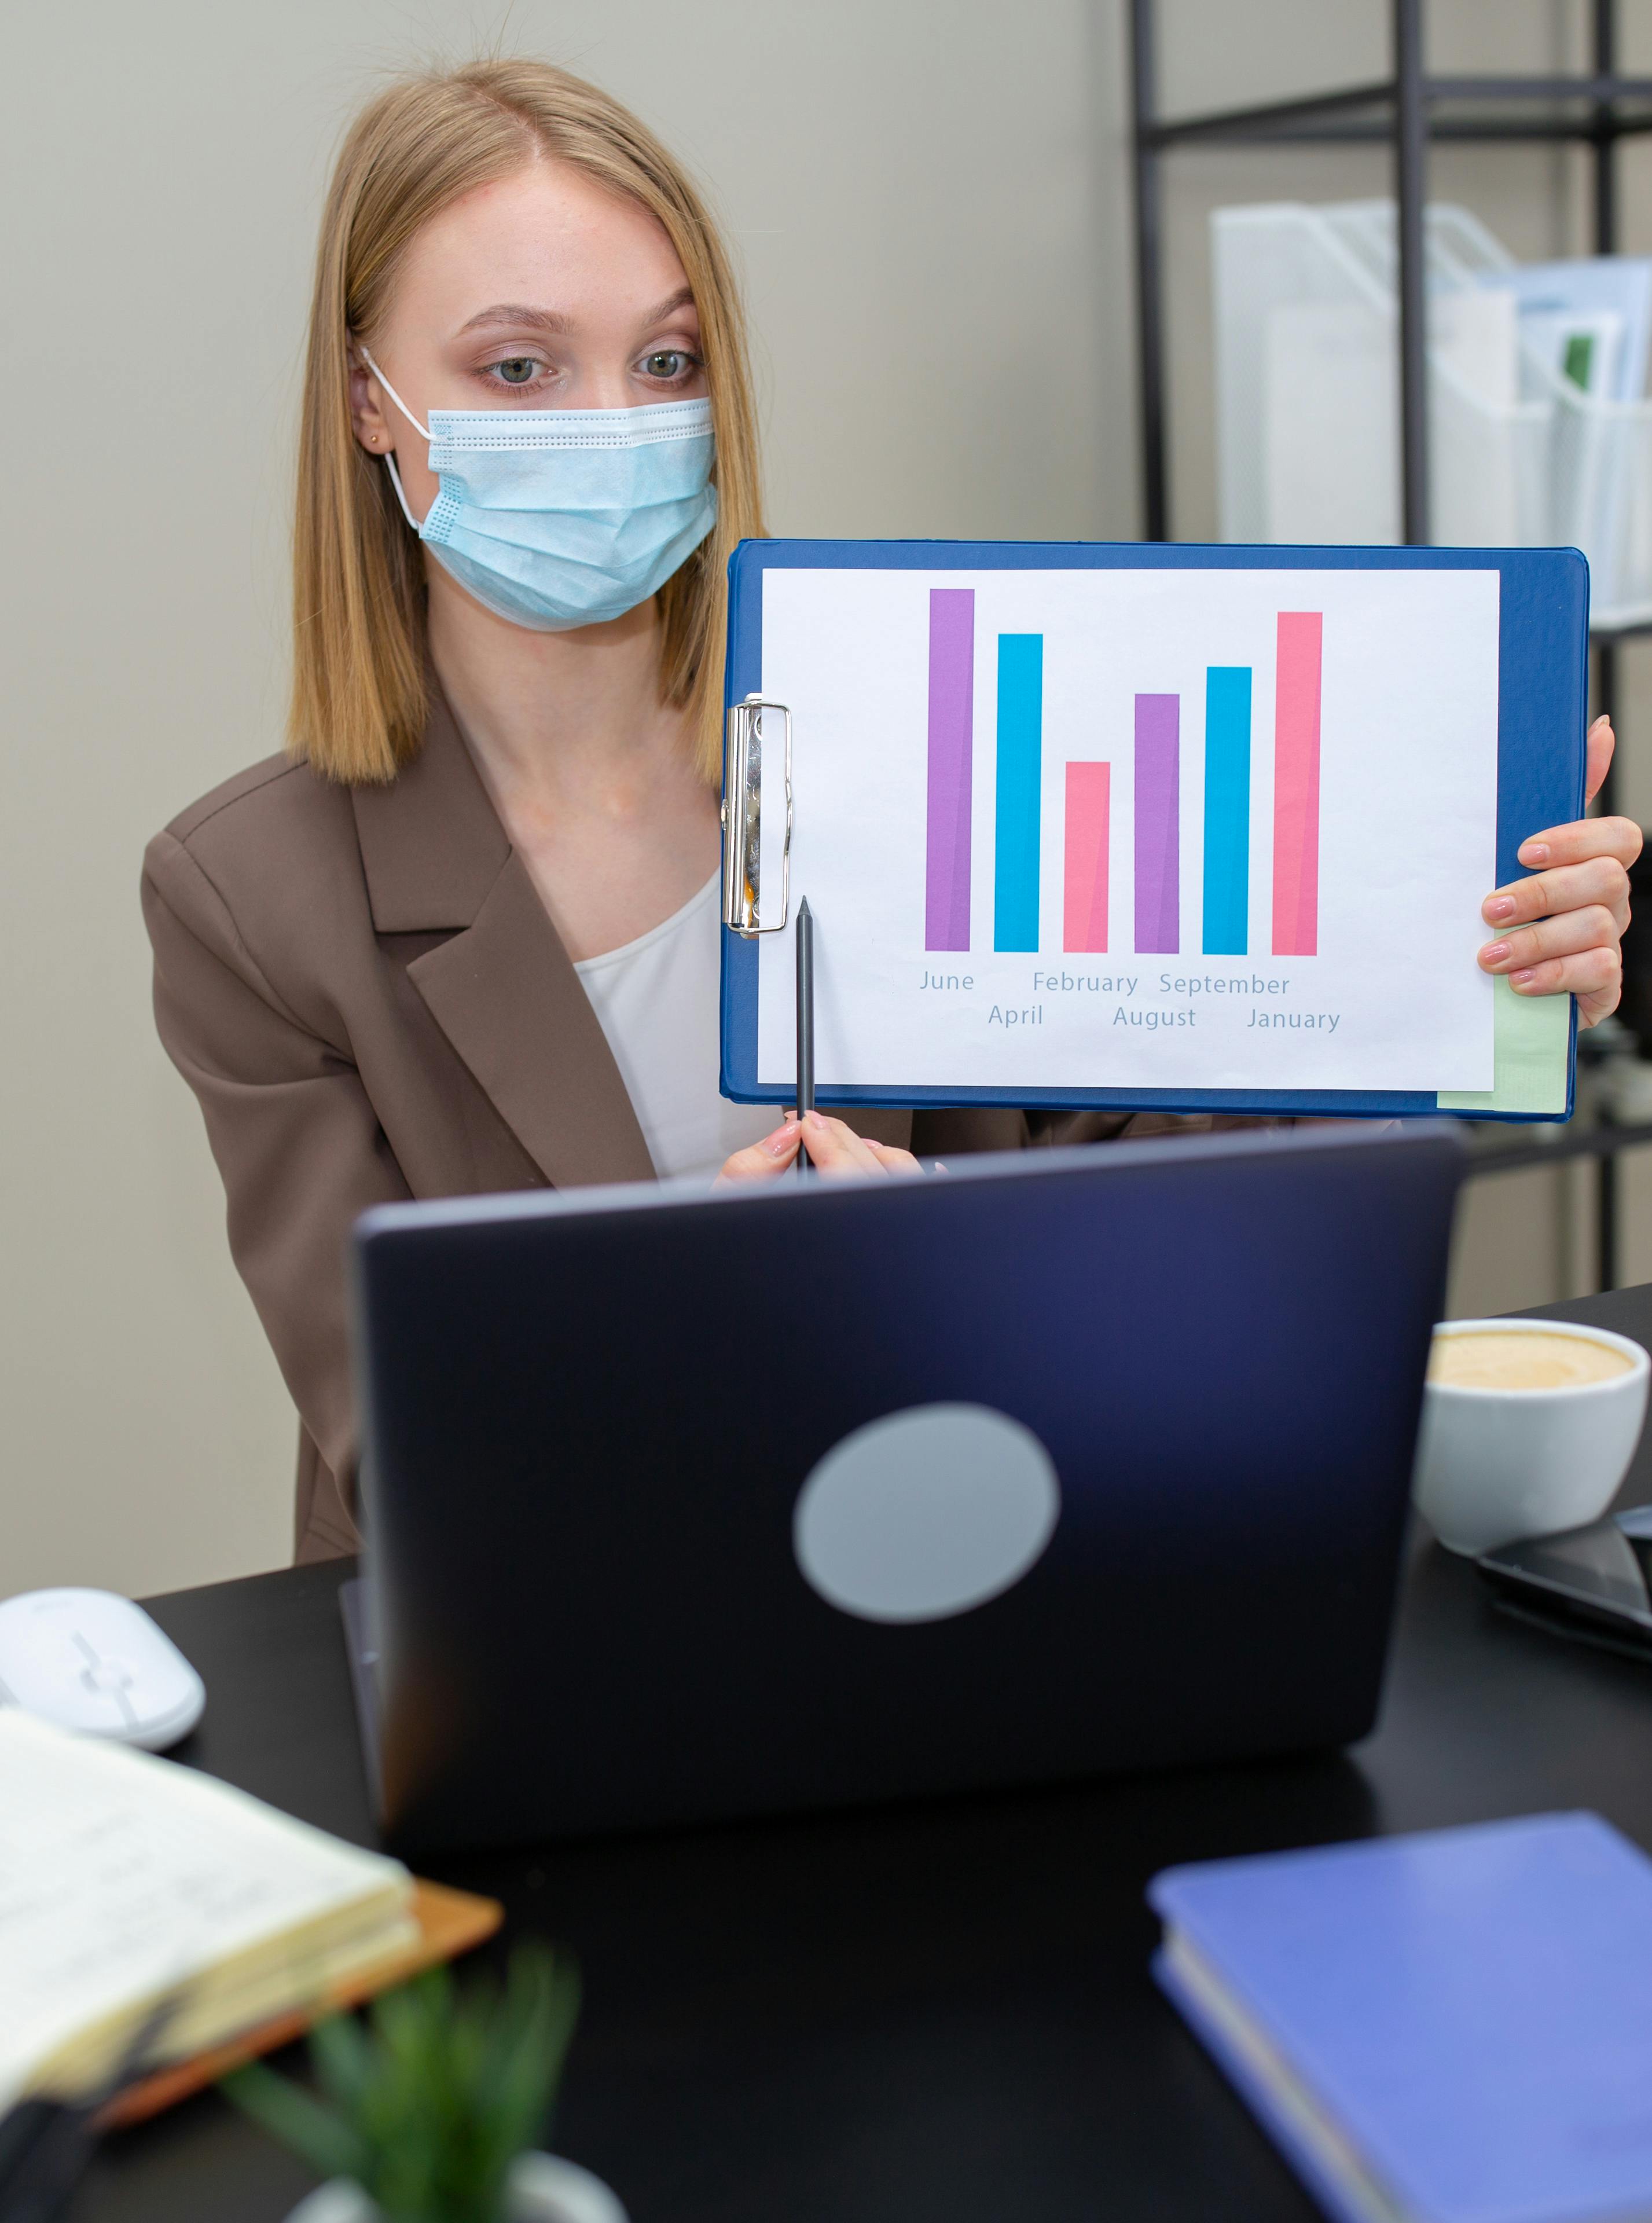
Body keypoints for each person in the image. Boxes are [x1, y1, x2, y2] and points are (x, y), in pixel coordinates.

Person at [142, 58, 1640, 1564]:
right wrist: (769, 1304)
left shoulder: (917, 730)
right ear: (369, 403)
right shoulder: (252, 898)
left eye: (666, 364)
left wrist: (1456, 978)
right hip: (565, 1641)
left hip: (974, 1556)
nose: (613, 424)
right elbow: (406, 1442)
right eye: (519, 370)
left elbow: (1165, 1154)